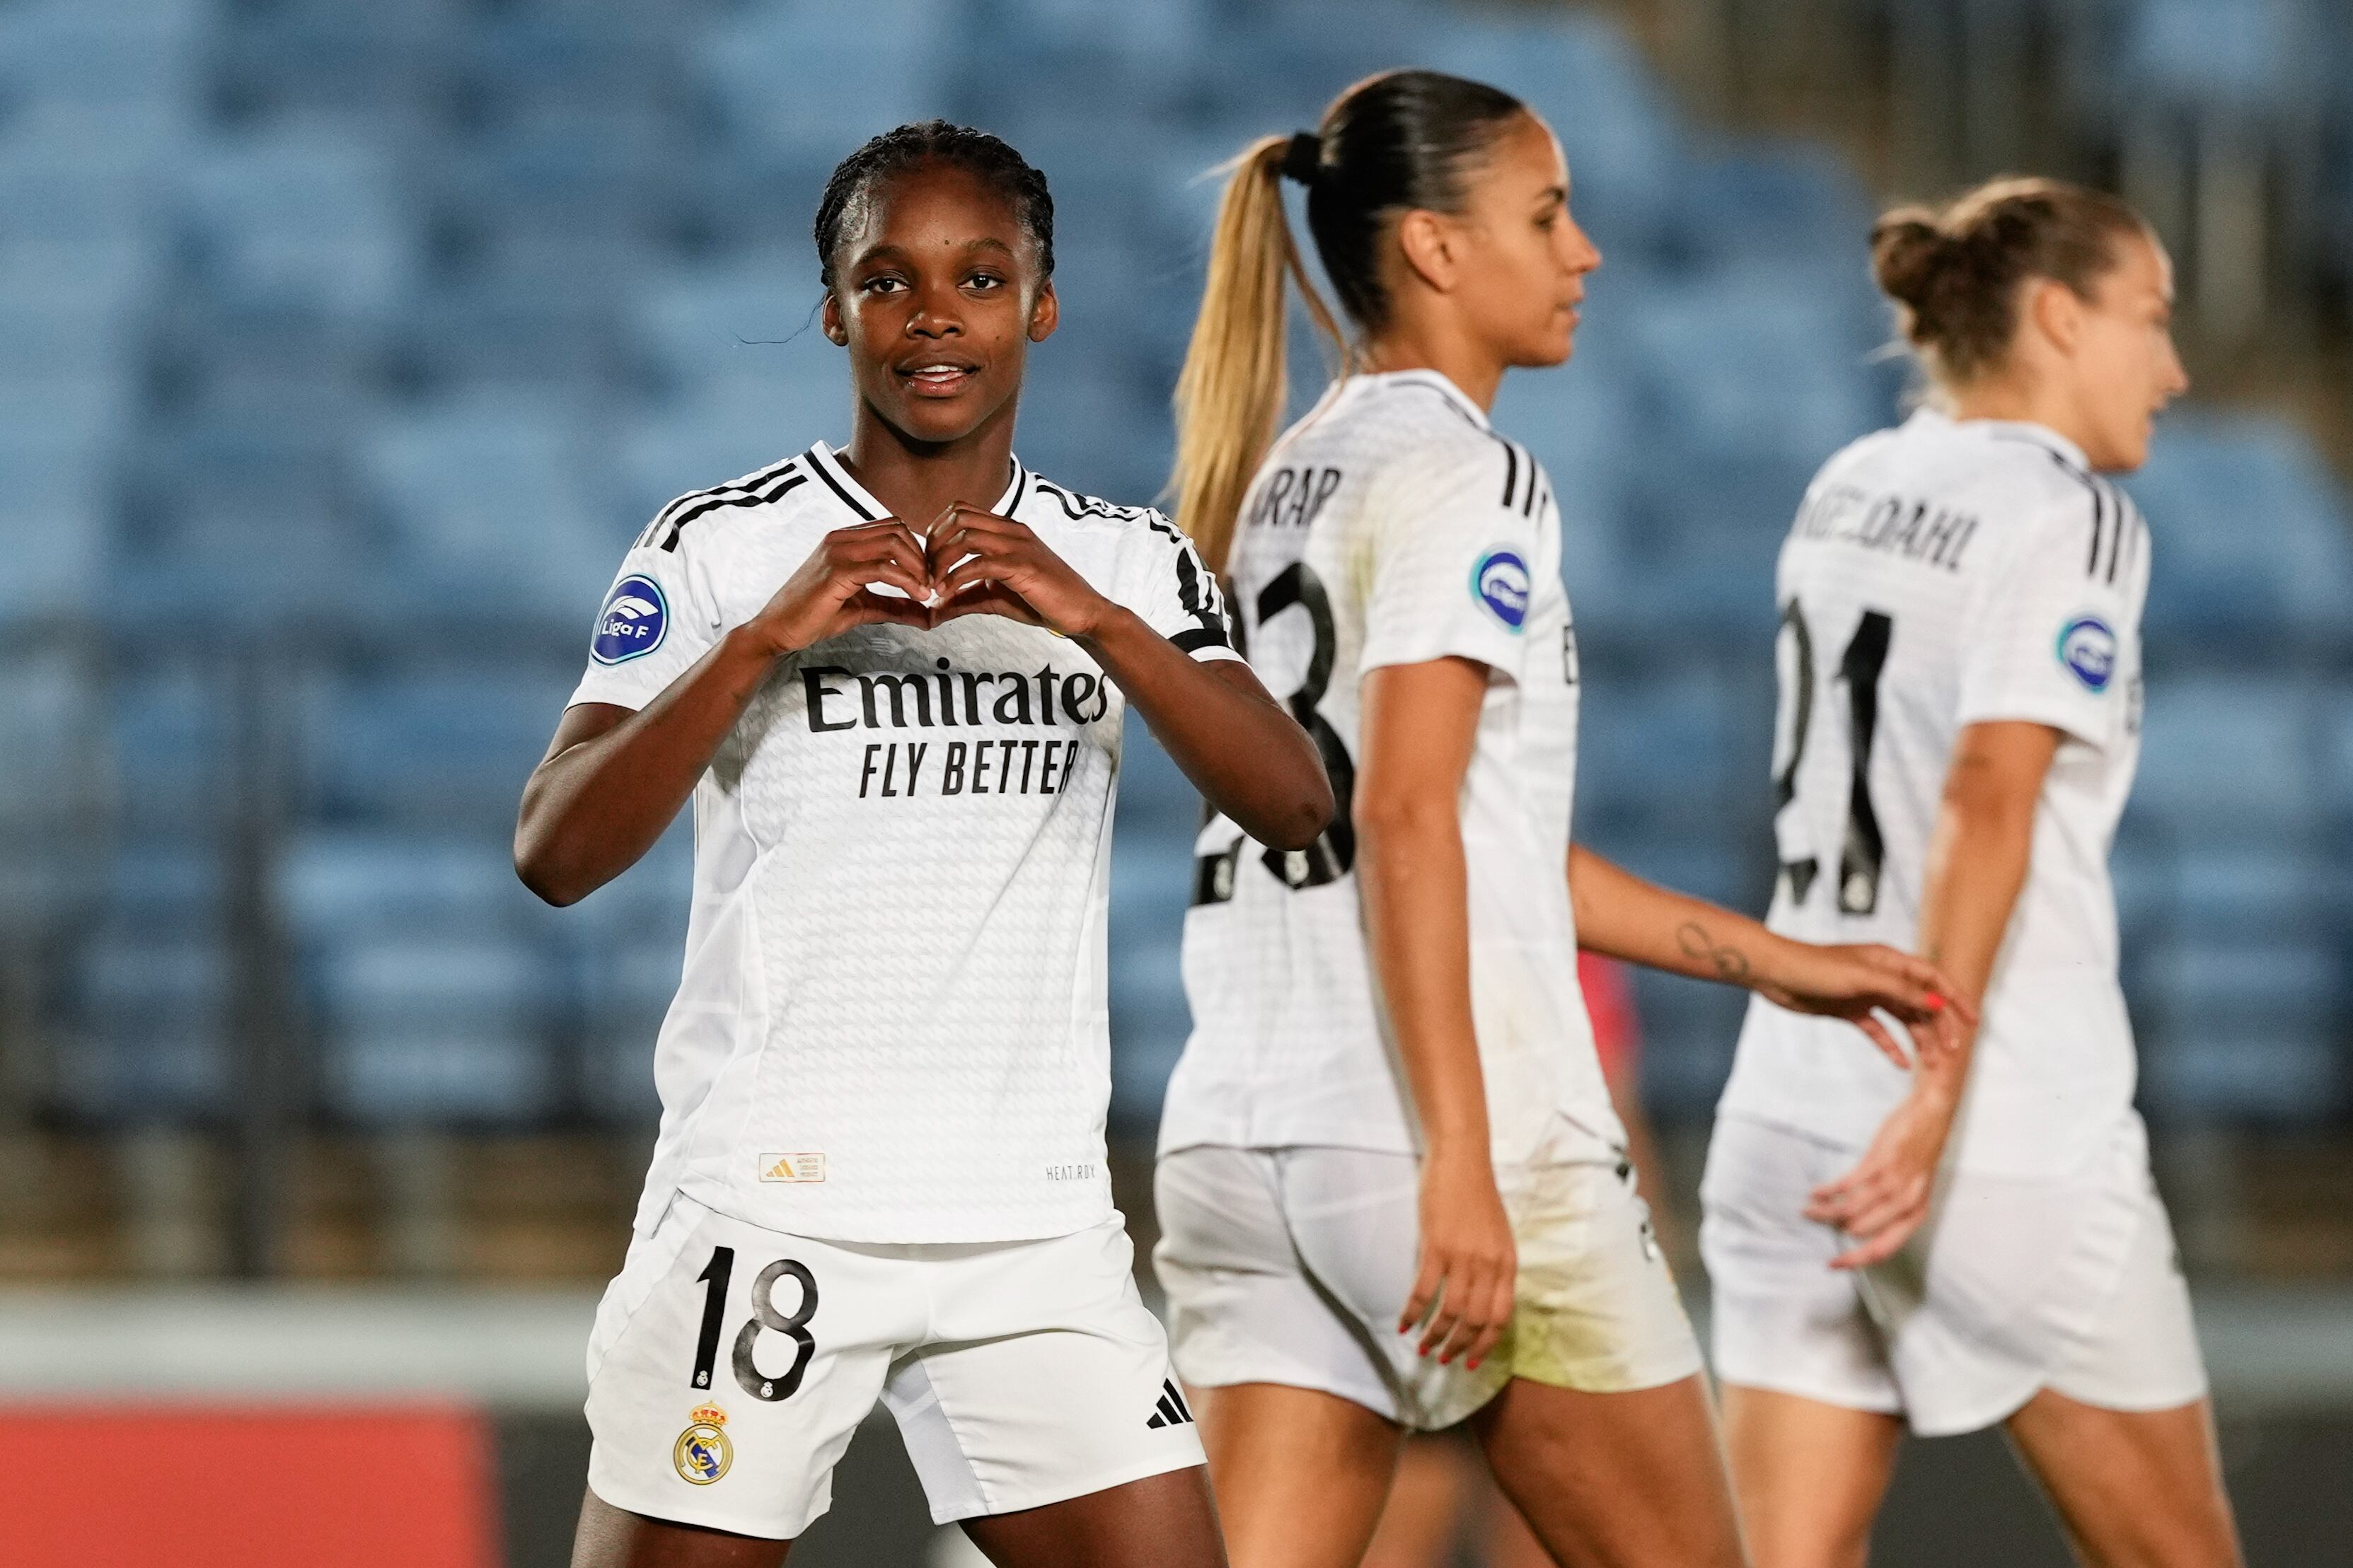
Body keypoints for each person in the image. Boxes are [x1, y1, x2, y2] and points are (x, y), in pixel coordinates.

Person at [1150, 70, 1969, 1568]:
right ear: (1436, 250)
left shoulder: (1282, 475)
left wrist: (1771, 957)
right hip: (1445, 1147)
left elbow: (1475, 837)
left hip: (1242, 1140)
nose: (1583, 249)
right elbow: (1402, 813)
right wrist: (1457, 1154)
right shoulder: (1471, 474)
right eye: (1545, 214)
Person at [514, 120, 1331, 1568]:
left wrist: (1091, 618)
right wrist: (762, 640)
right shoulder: (718, 545)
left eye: (980, 275)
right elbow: (557, 850)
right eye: (888, 280)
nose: (935, 313)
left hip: (1030, 1230)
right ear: (834, 308)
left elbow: (1295, 806)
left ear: (1041, 303)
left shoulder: (1129, 565)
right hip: (777, 1209)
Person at [1701, 177, 2242, 1568]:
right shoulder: (2069, 514)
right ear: (2058, 317)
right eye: (2151, 319)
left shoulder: (1852, 480)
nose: (2171, 370)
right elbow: (1986, 793)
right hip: (1987, 1123)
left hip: (1790, 1097)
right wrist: (1936, 1087)